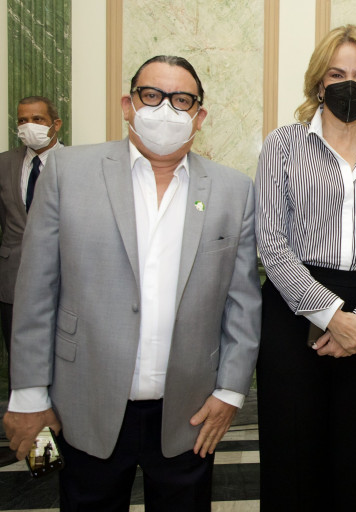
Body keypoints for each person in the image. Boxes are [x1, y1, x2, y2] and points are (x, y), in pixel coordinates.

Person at [2, 55, 261, 511]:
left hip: (190, 412)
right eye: (152, 95)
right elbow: (36, 291)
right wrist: (27, 394)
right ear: (128, 105)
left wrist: (230, 392)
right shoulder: (66, 172)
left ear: (199, 116)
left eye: (181, 100)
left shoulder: (234, 190)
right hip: (81, 404)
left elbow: (242, 302)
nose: (165, 110)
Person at [255, 25, 356, 512]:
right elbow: (272, 243)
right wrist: (330, 316)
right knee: (292, 454)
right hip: (293, 308)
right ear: (318, 83)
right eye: (337, 74)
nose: (350, 84)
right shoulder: (282, 145)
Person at [0, 95, 63, 467]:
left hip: (63, 283)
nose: (29, 126)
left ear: (56, 124)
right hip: (13, 283)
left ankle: (72, 443)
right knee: (23, 367)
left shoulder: (75, 164)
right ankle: (40, 457)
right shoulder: (4, 164)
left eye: (38, 119)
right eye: (23, 120)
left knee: (62, 368)